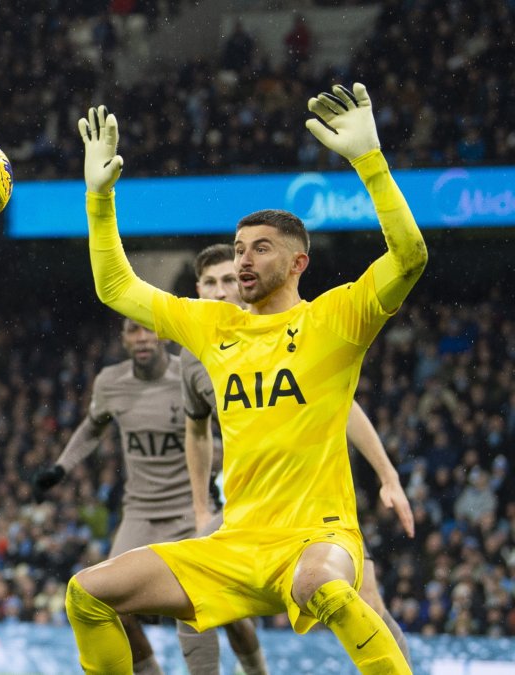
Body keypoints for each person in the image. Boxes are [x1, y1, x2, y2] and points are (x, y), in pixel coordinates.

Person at [66, 81, 425, 675]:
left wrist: (370, 161)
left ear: (298, 262)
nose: (243, 260)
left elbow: (410, 256)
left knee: (322, 585)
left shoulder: (334, 320)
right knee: (88, 592)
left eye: (261, 249)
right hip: (234, 544)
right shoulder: (215, 326)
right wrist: (99, 199)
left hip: (317, 538)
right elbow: (115, 287)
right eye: (238, 249)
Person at [184, 244, 413, 664]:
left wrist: (388, 476)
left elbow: (345, 408)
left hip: (316, 503)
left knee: (368, 603)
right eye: (210, 283)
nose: (220, 292)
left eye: (228, 280)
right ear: (197, 289)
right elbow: (196, 430)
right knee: (190, 597)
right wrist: (201, 509)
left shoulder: (289, 329)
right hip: (249, 510)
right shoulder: (195, 350)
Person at [31, 318, 267, 675]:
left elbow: (230, 426)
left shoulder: (191, 374)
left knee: (214, 607)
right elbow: (92, 427)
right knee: (109, 601)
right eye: (132, 330)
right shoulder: (111, 383)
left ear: (163, 335)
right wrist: (61, 468)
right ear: (123, 339)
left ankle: (257, 671)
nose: (141, 338)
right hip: (139, 514)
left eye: (147, 329)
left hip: (190, 512)